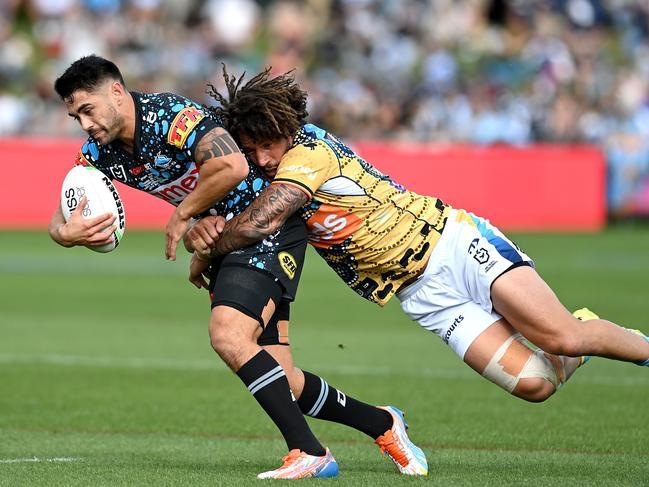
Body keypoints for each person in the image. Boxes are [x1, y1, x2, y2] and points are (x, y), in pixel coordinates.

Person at [47, 55, 428, 479]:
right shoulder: (99, 151)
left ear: (116, 92)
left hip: (263, 223)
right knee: (283, 380)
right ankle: (383, 423)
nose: (84, 124)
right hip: (226, 240)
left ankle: (309, 451)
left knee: (227, 333)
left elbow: (232, 165)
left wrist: (183, 216)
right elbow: (65, 205)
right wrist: (65, 234)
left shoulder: (170, 116)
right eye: (75, 115)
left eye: (87, 110)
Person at [184, 67, 649, 406]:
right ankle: (588, 330)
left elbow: (260, 221)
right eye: (252, 149)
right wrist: (198, 233)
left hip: (453, 247)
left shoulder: (309, 151)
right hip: (422, 293)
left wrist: (209, 250)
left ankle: (625, 344)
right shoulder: (266, 169)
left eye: (269, 145)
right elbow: (227, 214)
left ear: (289, 129)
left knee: (564, 337)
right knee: (536, 384)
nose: (263, 158)